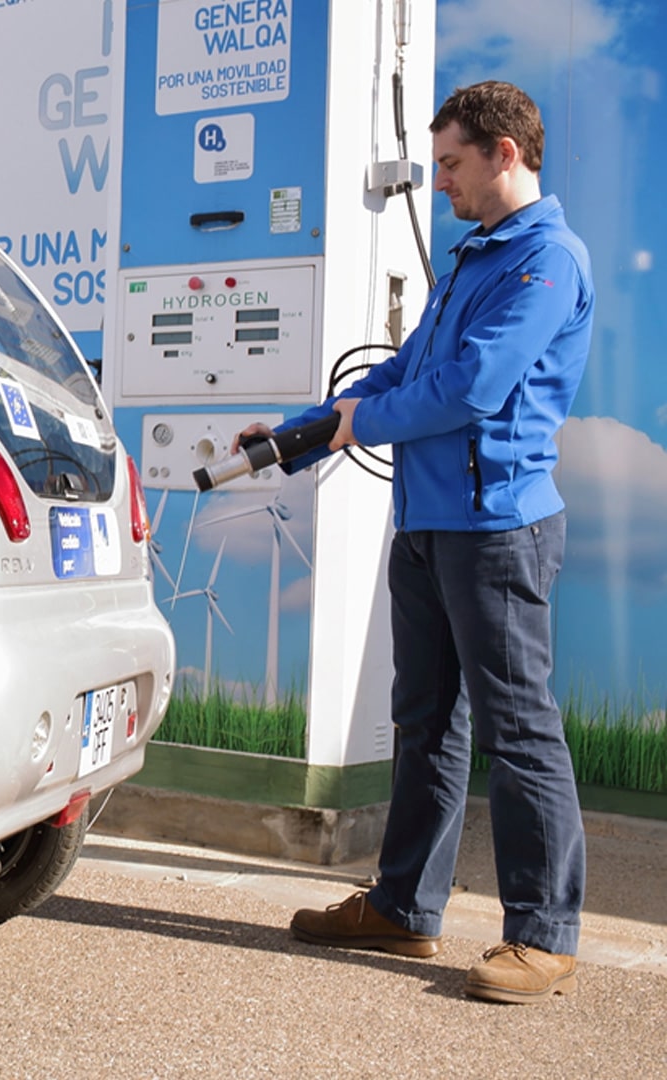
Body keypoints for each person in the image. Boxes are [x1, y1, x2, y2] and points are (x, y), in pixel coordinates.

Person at [234, 81, 594, 1003]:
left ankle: (543, 935)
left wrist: (358, 427)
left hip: (498, 526)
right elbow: (405, 370)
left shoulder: (545, 261)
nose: (440, 184)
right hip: (429, 524)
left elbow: (472, 388)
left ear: (503, 153)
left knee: (517, 730)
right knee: (423, 723)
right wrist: (301, 430)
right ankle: (403, 909)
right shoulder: (474, 258)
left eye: (450, 165)